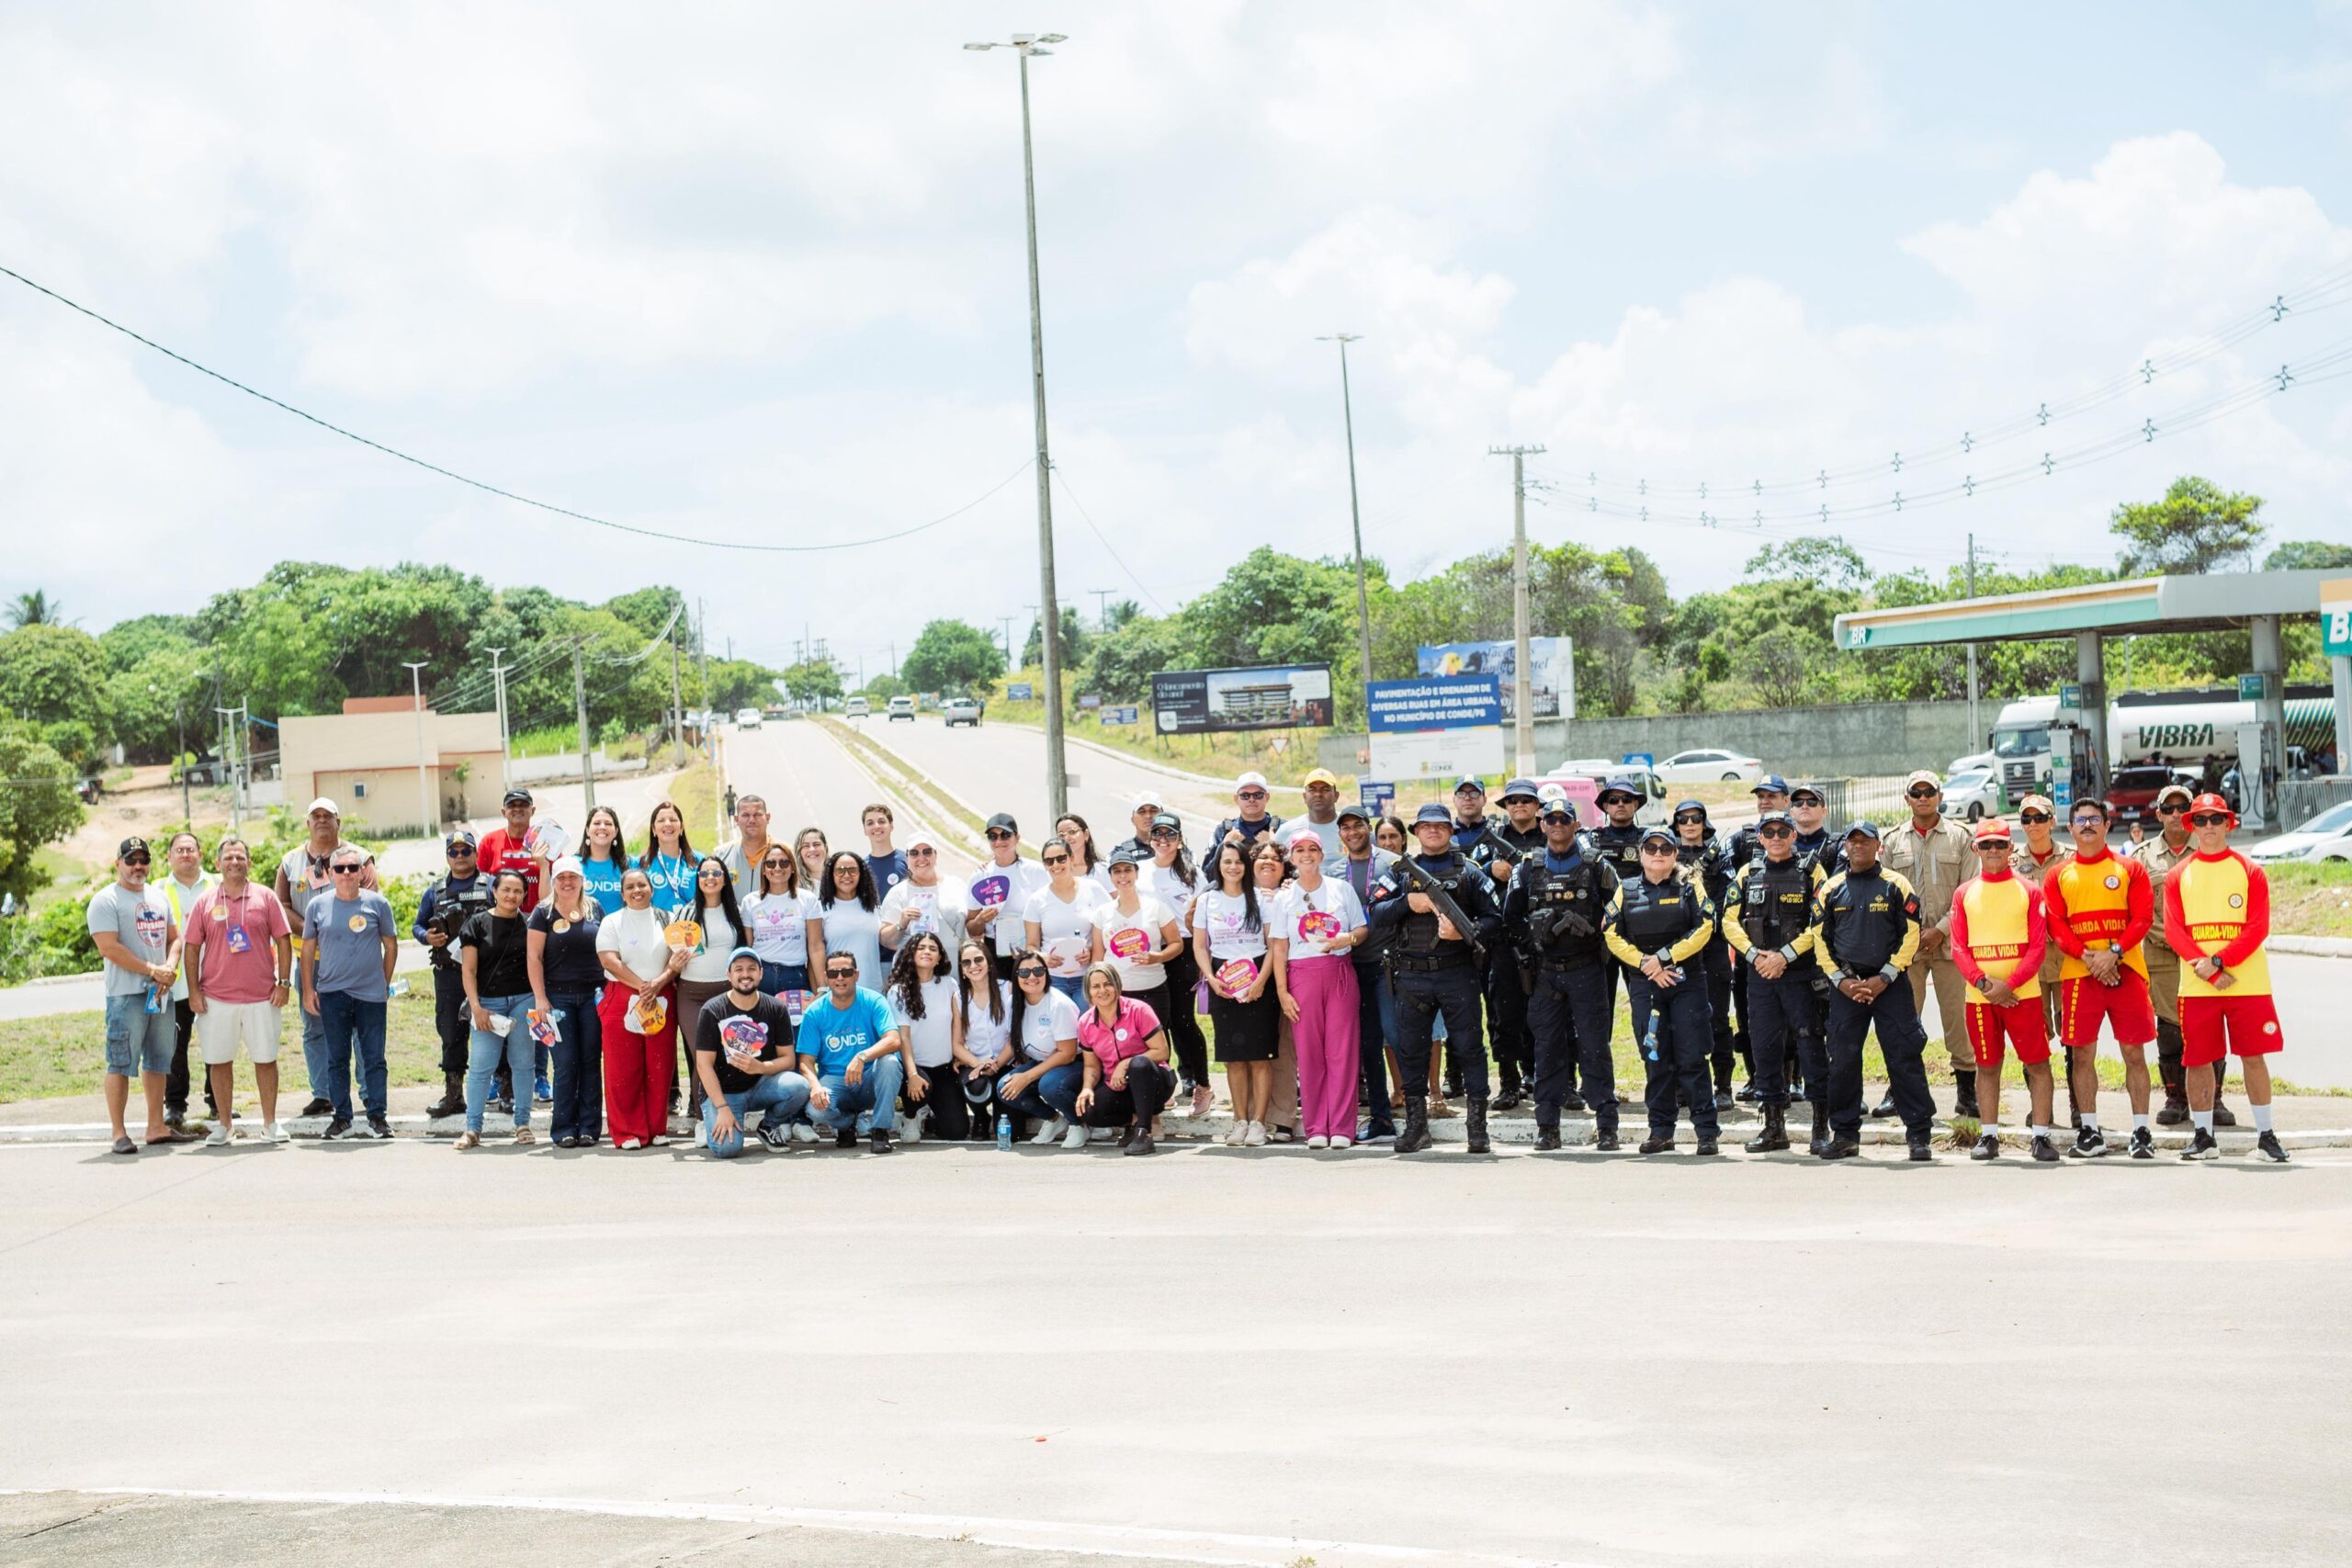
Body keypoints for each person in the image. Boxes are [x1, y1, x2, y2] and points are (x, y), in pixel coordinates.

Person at [1368, 803, 1504, 1155]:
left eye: (1440, 826)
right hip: (1411, 976)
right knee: (1411, 1051)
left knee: (1470, 1049)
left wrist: (1466, 933)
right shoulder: (1400, 872)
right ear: (1416, 832)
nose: (1433, 831)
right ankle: (1416, 1127)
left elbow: (1494, 919)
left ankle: (1477, 1127)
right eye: (1426, 826)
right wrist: (1407, 903)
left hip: (1456, 974)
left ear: (1450, 831)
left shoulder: (1470, 873)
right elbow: (1376, 913)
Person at [2165, 794, 2289, 1162]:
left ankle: (2266, 1137)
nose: (2207, 827)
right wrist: (2204, 966)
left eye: (2214, 820)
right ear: (2191, 826)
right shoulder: (2178, 874)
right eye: (2199, 821)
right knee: (2198, 1060)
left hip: (2246, 982)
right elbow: (2174, 931)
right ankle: (2204, 1137)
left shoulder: (2251, 871)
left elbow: (2257, 927)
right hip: (2198, 984)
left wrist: (2217, 962)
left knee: (2253, 1057)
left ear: (2228, 823)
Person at [1811, 822, 1935, 1161]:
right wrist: (1842, 980)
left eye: (1865, 841)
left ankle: (1919, 1135)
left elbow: (1911, 935)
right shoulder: (1831, 888)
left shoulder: (1896, 884)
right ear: (1845, 848)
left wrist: (1886, 976)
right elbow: (1820, 940)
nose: (1858, 847)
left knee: (1904, 1057)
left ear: (1878, 846)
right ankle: (1845, 1135)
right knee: (1843, 1060)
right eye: (1853, 842)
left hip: (1890, 985)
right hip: (1846, 989)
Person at [2043, 798, 2158, 1158]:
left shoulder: (2130, 868)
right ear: (2072, 828)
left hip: (2127, 971)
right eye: (2081, 820)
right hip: (2080, 975)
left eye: (2095, 819)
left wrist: (2114, 955)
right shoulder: (2058, 874)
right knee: (2081, 1056)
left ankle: (2141, 1131)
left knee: (2133, 1054)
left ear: (2108, 826)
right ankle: (2090, 1131)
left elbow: (2142, 918)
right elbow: (2056, 926)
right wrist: (2089, 958)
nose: (2088, 825)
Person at [1503, 795, 1616, 1150]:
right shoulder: (1527, 867)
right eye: (1550, 820)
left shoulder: (1597, 865)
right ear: (1541, 825)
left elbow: (1618, 911)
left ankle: (1607, 1125)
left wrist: (1596, 931)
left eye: (1564, 819)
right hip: (1547, 973)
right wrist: (1536, 934)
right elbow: (1511, 918)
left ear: (1576, 825)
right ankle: (1547, 1126)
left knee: (1595, 1047)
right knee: (1547, 1049)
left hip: (1587, 970)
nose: (1556, 825)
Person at [1603, 826, 1721, 1156]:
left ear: (1675, 854)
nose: (1658, 854)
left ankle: (1706, 1131)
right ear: (1641, 853)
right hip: (1646, 984)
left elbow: (1706, 927)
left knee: (1692, 1056)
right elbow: (1612, 935)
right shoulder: (1624, 890)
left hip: (1687, 983)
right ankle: (1660, 1130)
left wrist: (1666, 958)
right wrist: (1646, 964)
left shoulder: (1689, 886)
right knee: (1655, 1058)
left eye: (1665, 849)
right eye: (1651, 849)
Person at [1948, 820, 2058, 1163]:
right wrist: (1984, 985)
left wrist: (2008, 986)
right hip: (1980, 999)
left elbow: (2038, 947)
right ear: (1975, 849)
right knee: (1987, 1066)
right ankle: (1989, 1135)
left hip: (2022, 996)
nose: (1993, 850)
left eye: (1999, 844)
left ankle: (2040, 1136)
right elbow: (1959, 948)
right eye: (1986, 845)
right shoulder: (1964, 893)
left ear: (2011, 849)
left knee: (2038, 1064)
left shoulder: (2029, 890)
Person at [1719, 810, 1824, 1155]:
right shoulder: (1748, 873)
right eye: (1770, 832)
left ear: (1794, 835)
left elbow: (1821, 923)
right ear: (1760, 838)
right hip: (1760, 975)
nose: (1776, 837)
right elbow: (1729, 921)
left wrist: (1786, 956)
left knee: (1810, 1046)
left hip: (1800, 974)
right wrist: (1754, 955)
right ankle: (1773, 1128)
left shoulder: (1812, 870)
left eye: (1783, 831)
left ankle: (1820, 1127)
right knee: (1764, 1048)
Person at [1878, 769, 1978, 1119]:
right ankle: (1898, 1091)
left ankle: (1968, 1094)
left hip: (1951, 946)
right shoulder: (1891, 841)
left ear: (1940, 796)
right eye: (1916, 793)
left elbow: (1970, 891)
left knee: (1959, 1022)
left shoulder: (1961, 837)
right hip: (1907, 950)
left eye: (1929, 792)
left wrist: (1941, 929)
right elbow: (1883, 892)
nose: (1923, 798)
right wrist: (1912, 935)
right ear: (1906, 798)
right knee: (1903, 1021)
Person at [181, 837, 293, 1145]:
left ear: (249, 863)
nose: (234, 862)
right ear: (217, 864)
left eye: (240, 857)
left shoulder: (265, 898)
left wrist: (284, 983)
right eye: (228, 858)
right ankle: (224, 1125)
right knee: (219, 1061)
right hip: (216, 999)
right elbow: (191, 948)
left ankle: (270, 1124)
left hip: (262, 997)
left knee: (266, 1060)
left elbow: (284, 941)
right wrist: (193, 991)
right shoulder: (205, 902)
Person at [276, 797, 379, 1119]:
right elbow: (280, 906)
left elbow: (373, 901)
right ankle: (322, 1094)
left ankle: (367, 1092)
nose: (322, 820)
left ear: (339, 822)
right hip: (311, 961)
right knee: (315, 1028)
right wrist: (312, 929)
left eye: (328, 816)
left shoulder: (360, 857)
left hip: (353, 960)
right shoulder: (290, 862)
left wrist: (337, 927)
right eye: (315, 816)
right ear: (307, 823)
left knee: (360, 1028)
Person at [2134, 783, 2227, 1126]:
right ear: (2158, 813)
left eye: (2181, 808)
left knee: (2209, 1026)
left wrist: (2205, 949)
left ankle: (2213, 1098)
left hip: (2207, 958)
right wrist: (2179, 942)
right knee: (2171, 1030)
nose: (2175, 815)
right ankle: (2176, 1097)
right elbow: (2139, 913)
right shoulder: (2142, 856)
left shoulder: (2207, 847)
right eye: (2168, 809)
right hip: (2163, 958)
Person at [1270, 827, 1367, 1150]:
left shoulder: (1341, 889)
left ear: (1321, 854)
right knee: (1310, 1055)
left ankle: (1341, 1126)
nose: (1307, 855)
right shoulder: (1285, 897)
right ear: (1292, 857)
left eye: (1312, 849)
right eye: (1300, 851)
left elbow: (1362, 929)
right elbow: (1280, 948)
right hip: (1301, 977)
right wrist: (1283, 993)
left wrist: (1347, 939)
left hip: (1338, 973)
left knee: (1341, 1052)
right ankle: (1315, 1128)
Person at [89, 838, 187, 1154]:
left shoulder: (158, 896)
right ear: (118, 863)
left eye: (143, 860)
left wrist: (170, 966)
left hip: (159, 993)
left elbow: (175, 939)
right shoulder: (105, 900)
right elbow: (109, 948)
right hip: (126, 995)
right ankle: (118, 1132)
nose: (138, 866)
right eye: (131, 860)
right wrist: (152, 970)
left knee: (158, 1061)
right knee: (120, 1063)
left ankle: (156, 1126)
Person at [300, 845, 400, 1140]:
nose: (346, 873)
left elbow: (391, 946)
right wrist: (308, 989)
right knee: (337, 1059)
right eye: (340, 869)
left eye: (352, 868)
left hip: (371, 995)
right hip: (332, 994)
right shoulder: (316, 906)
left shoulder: (378, 904)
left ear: (361, 873)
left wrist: (383, 982)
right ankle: (341, 1117)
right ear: (330, 873)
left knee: (374, 1058)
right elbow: (307, 950)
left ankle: (378, 1117)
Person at [594, 867, 688, 1150]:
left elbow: (676, 958)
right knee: (623, 1067)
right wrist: (641, 986)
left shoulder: (668, 919)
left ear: (651, 888)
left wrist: (656, 984)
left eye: (642, 885)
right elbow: (610, 961)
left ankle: (656, 1127)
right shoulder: (612, 922)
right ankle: (626, 1131)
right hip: (624, 996)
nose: (637, 891)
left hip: (660, 995)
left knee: (659, 1066)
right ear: (622, 893)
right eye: (631, 887)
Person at [1195, 839, 1279, 1145]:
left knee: (1260, 1057)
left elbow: (1274, 945)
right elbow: (1199, 946)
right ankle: (1239, 1121)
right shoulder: (1207, 900)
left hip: (1259, 977)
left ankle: (1259, 1123)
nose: (1233, 867)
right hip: (1223, 980)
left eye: (1239, 862)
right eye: (1227, 861)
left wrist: (1261, 981)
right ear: (1218, 865)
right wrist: (1211, 979)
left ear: (1247, 866)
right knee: (1233, 1058)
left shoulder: (1261, 898)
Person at [690, 948, 811, 1157]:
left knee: (799, 1086)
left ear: (761, 973)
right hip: (724, 1093)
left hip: (760, 1085)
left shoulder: (776, 1007)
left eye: (751, 969)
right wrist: (722, 1108)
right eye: (739, 969)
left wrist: (761, 1067)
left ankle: (769, 1126)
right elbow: (703, 1065)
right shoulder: (713, 1010)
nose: (745, 974)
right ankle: (716, 1120)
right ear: (729, 975)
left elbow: (788, 1059)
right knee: (726, 1149)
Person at [413, 829, 493, 1119]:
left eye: (465, 851)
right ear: (447, 856)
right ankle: (454, 1095)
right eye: (454, 851)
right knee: (451, 1032)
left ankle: (506, 1092)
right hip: (449, 972)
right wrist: (427, 938)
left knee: (496, 1029)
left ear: (474, 853)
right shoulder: (434, 891)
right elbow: (417, 926)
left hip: (487, 973)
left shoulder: (490, 885)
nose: (460, 856)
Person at [796, 950, 909, 1153]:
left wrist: (862, 1056)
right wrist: (815, 1087)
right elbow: (805, 1060)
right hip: (835, 1080)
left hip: (868, 1078)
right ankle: (847, 1123)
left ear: (856, 975)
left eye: (846, 972)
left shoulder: (874, 1000)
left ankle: (880, 1130)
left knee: (890, 1063)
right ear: (826, 977)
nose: (840, 978)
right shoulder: (814, 1012)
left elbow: (894, 1040)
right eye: (833, 973)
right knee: (816, 1111)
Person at [454, 869, 536, 1149]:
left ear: (524, 895)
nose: (512, 896)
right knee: (480, 1067)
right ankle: (473, 1129)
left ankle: (523, 1123)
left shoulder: (530, 923)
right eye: (506, 890)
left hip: (524, 1000)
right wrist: (475, 1006)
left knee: (524, 1064)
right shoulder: (476, 924)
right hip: (487, 1004)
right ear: (494, 891)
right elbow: (469, 970)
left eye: (518, 891)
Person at [1724, 773, 1793, 1099]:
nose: (1765, 800)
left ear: (1786, 800)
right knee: (1750, 1018)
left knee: (1798, 1023)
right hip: (1751, 949)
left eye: (1772, 795)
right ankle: (1757, 1077)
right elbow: (1732, 898)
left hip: (1792, 953)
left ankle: (1793, 1078)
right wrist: (1752, 952)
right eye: (1760, 796)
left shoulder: (1796, 839)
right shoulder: (1742, 840)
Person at [1476, 779, 1545, 1109]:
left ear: (1537, 806)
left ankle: (1545, 1077)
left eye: (1526, 800)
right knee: (1504, 1014)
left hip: (1543, 938)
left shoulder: (1550, 836)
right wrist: (1491, 868)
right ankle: (1508, 1082)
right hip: (1503, 939)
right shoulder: (1490, 842)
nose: (1520, 805)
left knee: (1546, 1013)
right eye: (1513, 800)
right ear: (1505, 806)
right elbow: (1469, 875)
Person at [527, 856, 605, 1147]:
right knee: (564, 1063)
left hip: (593, 997)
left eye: (573, 877)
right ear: (554, 881)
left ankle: (588, 1127)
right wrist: (540, 997)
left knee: (589, 1061)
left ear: (582, 880)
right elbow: (533, 957)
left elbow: (606, 948)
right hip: (557, 998)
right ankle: (563, 1128)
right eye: (561, 877)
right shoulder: (542, 912)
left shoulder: (595, 908)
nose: (567, 882)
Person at [1337, 804, 1401, 1144]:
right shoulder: (1334, 870)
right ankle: (1381, 1120)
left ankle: (1414, 1108)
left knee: (1398, 1037)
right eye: (1345, 828)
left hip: (1388, 965)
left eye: (1358, 825)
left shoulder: (1391, 864)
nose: (1352, 832)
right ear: (1340, 835)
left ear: (1368, 828)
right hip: (1348, 967)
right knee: (1368, 1045)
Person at [1142, 813, 1213, 1115]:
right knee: (1157, 1022)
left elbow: (1203, 920)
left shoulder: (1193, 874)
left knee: (1183, 1020)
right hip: (1148, 949)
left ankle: (1203, 1085)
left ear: (1180, 840)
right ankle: (1165, 1086)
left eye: (1169, 835)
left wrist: (1200, 957)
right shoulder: (1140, 870)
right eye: (1157, 834)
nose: (1162, 840)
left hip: (1183, 949)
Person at [670, 855, 749, 1126]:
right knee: (702, 1055)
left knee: (723, 1056)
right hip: (691, 995)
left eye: (716, 873)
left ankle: (717, 1113)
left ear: (725, 878)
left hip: (726, 995)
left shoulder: (736, 912)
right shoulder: (685, 913)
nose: (710, 878)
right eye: (704, 874)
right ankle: (704, 1119)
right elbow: (672, 955)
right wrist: (673, 963)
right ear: (698, 880)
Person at [1672, 797, 1738, 1111]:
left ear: (1704, 822)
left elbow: (1727, 896)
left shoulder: (1719, 856)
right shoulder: (1665, 853)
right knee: (1679, 1020)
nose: (1689, 825)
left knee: (1717, 1018)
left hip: (1711, 945)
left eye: (1695, 818)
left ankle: (1723, 1085)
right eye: (1683, 820)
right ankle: (1683, 1085)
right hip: (1675, 946)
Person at [1072, 961, 1176, 1155]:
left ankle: (1144, 1133)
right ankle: (1132, 1124)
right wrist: (1087, 1088)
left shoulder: (1139, 1009)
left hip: (1155, 1082)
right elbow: (1091, 1066)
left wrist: (1125, 1063)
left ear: (1117, 985)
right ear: (1088, 992)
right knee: (1089, 1111)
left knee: (1139, 1064)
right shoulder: (1086, 1022)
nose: (1102, 990)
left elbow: (1162, 1052)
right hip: (1120, 1086)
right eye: (1096, 986)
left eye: (1108, 984)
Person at [155, 830, 216, 1129]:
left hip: (215, 980)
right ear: (169, 857)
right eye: (179, 850)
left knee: (217, 1042)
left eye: (190, 849)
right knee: (175, 1047)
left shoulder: (217, 885)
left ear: (200, 854)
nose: (185, 854)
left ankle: (219, 1103)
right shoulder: (156, 891)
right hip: (175, 984)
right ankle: (175, 1106)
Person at [997, 948, 1085, 1145]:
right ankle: (1053, 1119)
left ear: (1046, 973)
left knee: (1050, 1086)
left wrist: (1027, 1076)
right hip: (1044, 1062)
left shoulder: (1059, 1004)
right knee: (1005, 1087)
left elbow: (1067, 1054)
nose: (1032, 977)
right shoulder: (1014, 1002)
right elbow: (1014, 1041)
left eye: (1038, 971)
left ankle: (1078, 1124)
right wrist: (994, 1065)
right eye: (1024, 972)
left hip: (1073, 1063)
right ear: (1016, 976)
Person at [1089, 846, 1183, 1022]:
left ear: (1137, 873)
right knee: (1123, 1045)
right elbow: (1098, 958)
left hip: (1152, 989)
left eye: (1127, 870)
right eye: (1117, 872)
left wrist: (1158, 957)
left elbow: (1177, 944)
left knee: (1157, 1045)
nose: (1123, 876)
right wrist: (1096, 991)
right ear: (1111, 877)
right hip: (1116, 992)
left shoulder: (1156, 907)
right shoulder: (1102, 913)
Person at [886, 932, 964, 1143]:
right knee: (922, 1084)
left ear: (939, 957)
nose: (927, 951)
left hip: (944, 1068)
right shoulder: (898, 991)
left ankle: (929, 1116)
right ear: (911, 953)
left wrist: (959, 1054)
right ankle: (910, 1116)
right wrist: (911, 1074)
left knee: (956, 1131)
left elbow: (958, 1024)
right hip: (913, 1067)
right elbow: (904, 1037)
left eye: (932, 948)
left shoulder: (950, 985)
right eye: (921, 947)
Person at [1250, 839, 1303, 1142]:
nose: (1268, 862)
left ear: (1284, 867)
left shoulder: (1292, 893)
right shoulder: (1237, 893)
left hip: (1285, 975)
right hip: (1248, 978)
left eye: (1275, 858)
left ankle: (1282, 1117)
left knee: (1284, 1049)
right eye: (1262, 857)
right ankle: (1253, 1115)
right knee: (1254, 1049)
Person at [2007, 793, 2072, 1044]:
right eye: (2027, 818)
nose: (2033, 824)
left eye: (2039, 818)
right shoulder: (2009, 862)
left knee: (2073, 1030)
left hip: (2067, 956)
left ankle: (2074, 1082)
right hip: (2030, 959)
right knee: (2034, 1032)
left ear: (2052, 821)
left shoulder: (2071, 858)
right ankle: (2039, 1083)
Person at [967, 813, 1050, 985]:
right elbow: (972, 929)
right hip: (995, 949)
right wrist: (981, 920)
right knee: (1003, 1004)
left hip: (1030, 946)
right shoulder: (980, 876)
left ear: (1017, 837)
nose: (999, 841)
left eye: (1005, 835)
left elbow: (1049, 913)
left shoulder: (1035, 872)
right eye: (992, 836)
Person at [1024, 835, 1109, 1001]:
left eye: (1061, 858)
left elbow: (1110, 928)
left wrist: (1093, 951)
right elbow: (1031, 946)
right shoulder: (1036, 900)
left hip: (1089, 977)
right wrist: (1043, 957)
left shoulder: (1093, 889)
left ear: (1071, 859)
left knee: (1087, 1024)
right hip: (1053, 979)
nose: (1055, 865)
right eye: (1049, 861)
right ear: (1044, 865)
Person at [954, 939, 1016, 1139]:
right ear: (962, 970)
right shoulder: (959, 998)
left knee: (1009, 1132)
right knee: (976, 1087)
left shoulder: (1008, 989)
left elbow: (1016, 1037)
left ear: (989, 963)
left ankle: (1008, 1111)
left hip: (1006, 1062)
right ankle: (981, 1117)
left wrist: (996, 1064)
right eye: (967, 963)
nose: (973, 966)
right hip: (976, 1063)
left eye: (978, 960)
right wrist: (978, 1064)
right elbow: (956, 1043)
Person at [744, 843, 819, 998]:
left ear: (792, 868)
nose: (777, 868)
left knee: (795, 1023)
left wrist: (821, 987)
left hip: (795, 976)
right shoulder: (750, 901)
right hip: (762, 975)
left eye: (784, 862)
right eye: (771, 863)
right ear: (764, 870)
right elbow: (748, 947)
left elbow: (816, 947)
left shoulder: (808, 899)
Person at [878, 831, 971, 953]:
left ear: (935, 855)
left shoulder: (957, 884)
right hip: (915, 970)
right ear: (907, 858)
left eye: (927, 852)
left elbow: (972, 924)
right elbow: (884, 940)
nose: (921, 858)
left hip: (955, 968)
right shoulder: (897, 893)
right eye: (914, 853)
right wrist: (901, 924)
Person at [813, 851, 885, 989]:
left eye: (852, 870)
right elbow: (815, 951)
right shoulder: (821, 908)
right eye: (840, 870)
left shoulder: (873, 907)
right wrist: (822, 987)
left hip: (872, 989)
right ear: (831, 874)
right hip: (837, 991)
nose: (846, 875)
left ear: (861, 873)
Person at [475, 786, 550, 910]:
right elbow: (478, 883)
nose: (518, 809)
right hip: (499, 920)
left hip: (537, 921)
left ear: (533, 810)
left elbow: (561, 880)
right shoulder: (489, 842)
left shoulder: (545, 841)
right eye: (511, 805)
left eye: (524, 805)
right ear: (503, 812)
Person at [637, 799, 699, 910]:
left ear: (681, 827)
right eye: (661, 821)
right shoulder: (640, 864)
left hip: (693, 926)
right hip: (657, 926)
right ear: (653, 829)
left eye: (673, 820)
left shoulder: (699, 860)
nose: (668, 824)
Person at [717, 793, 778, 900]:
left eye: (758, 815)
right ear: (736, 820)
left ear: (768, 818)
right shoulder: (721, 855)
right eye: (745, 815)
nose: (752, 820)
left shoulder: (787, 855)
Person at [575, 806, 630, 910]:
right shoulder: (573, 864)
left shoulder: (631, 865)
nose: (602, 827)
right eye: (596, 823)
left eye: (608, 824)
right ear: (587, 830)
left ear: (616, 831)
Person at [1213, 771, 1286, 849]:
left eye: (1257, 795)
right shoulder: (1223, 831)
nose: (1251, 799)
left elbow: (1295, 860)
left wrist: (1274, 845)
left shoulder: (1283, 829)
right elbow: (1208, 861)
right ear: (1236, 799)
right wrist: (1224, 845)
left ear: (1267, 797)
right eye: (1245, 795)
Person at [1292, 769, 1346, 858]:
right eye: (1312, 790)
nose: (1318, 794)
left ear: (1336, 796)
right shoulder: (1288, 830)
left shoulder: (1351, 828)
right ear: (1304, 797)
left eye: (1325, 790)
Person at [861, 803, 908, 903]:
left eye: (881, 821)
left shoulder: (907, 860)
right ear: (865, 830)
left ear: (891, 826)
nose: (876, 826)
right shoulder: (861, 868)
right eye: (870, 823)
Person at [1055, 813, 1110, 892]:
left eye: (1072, 832)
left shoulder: (1103, 870)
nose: (1067, 838)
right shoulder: (1054, 871)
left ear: (1086, 834)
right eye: (1061, 835)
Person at [793, 827, 831, 892]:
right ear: (799, 852)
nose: (812, 849)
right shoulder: (793, 884)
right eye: (806, 846)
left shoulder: (839, 880)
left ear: (826, 848)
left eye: (816, 844)